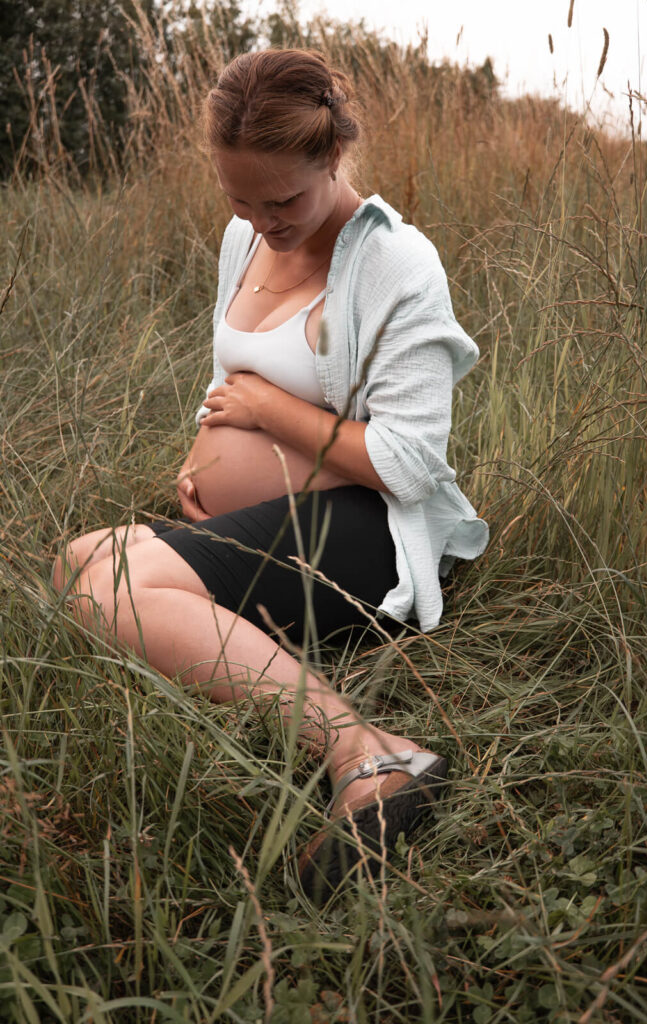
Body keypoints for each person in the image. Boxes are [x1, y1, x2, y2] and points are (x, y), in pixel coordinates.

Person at [53, 48, 488, 901]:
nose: (260, 222)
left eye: (281, 200)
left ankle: (371, 755)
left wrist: (266, 411)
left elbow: (406, 463)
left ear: (333, 157)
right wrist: (201, 456)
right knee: (77, 560)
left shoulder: (398, 264)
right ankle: (251, 644)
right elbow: (231, 376)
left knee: (112, 597)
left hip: (370, 533)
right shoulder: (243, 238)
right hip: (283, 524)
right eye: (239, 199)